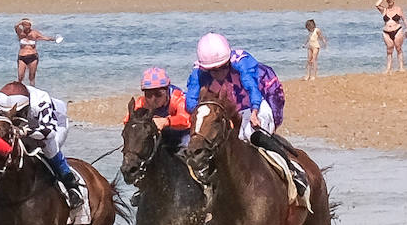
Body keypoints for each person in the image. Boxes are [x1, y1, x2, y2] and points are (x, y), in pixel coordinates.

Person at [184, 33, 304, 194]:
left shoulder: (242, 62)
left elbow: (252, 88)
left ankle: (293, 172)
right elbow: (191, 103)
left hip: (258, 102)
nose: (219, 73)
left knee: (249, 134)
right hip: (225, 112)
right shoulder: (198, 71)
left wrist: (254, 112)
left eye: (222, 67)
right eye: (213, 71)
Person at [0, 81, 83, 208]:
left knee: (49, 147)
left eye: (18, 113)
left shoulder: (41, 100)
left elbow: (48, 131)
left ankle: (71, 185)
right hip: (23, 127)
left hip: (54, 125)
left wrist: (23, 131)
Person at [127, 67, 191, 151]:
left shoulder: (178, 98)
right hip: (161, 135)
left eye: (158, 94)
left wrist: (166, 121)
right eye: (149, 94)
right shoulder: (142, 103)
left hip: (183, 133)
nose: (153, 99)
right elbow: (128, 122)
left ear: (167, 90)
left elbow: (187, 120)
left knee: (187, 146)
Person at [14, 17, 60, 85]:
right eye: (25, 25)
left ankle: (33, 92)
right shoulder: (20, 33)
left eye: (29, 25)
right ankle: (19, 91)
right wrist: (21, 22)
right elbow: (15, 26)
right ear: (22, 25)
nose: (27, 27)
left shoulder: (34, 33)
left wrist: (54, 39)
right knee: (20, 77)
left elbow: (45, 38)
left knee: (31, 77)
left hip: (33, 57)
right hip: (22, 57)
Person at [375, 0, 407, 73]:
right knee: (389, 50)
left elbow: (404, 19)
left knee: (398, 48)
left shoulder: (398, 9)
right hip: (386, 32)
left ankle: (401, 67)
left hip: (397, 30)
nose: (389, 1)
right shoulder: (384, 10)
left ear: (394, 0)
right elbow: (376, 5)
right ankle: (388, 68)